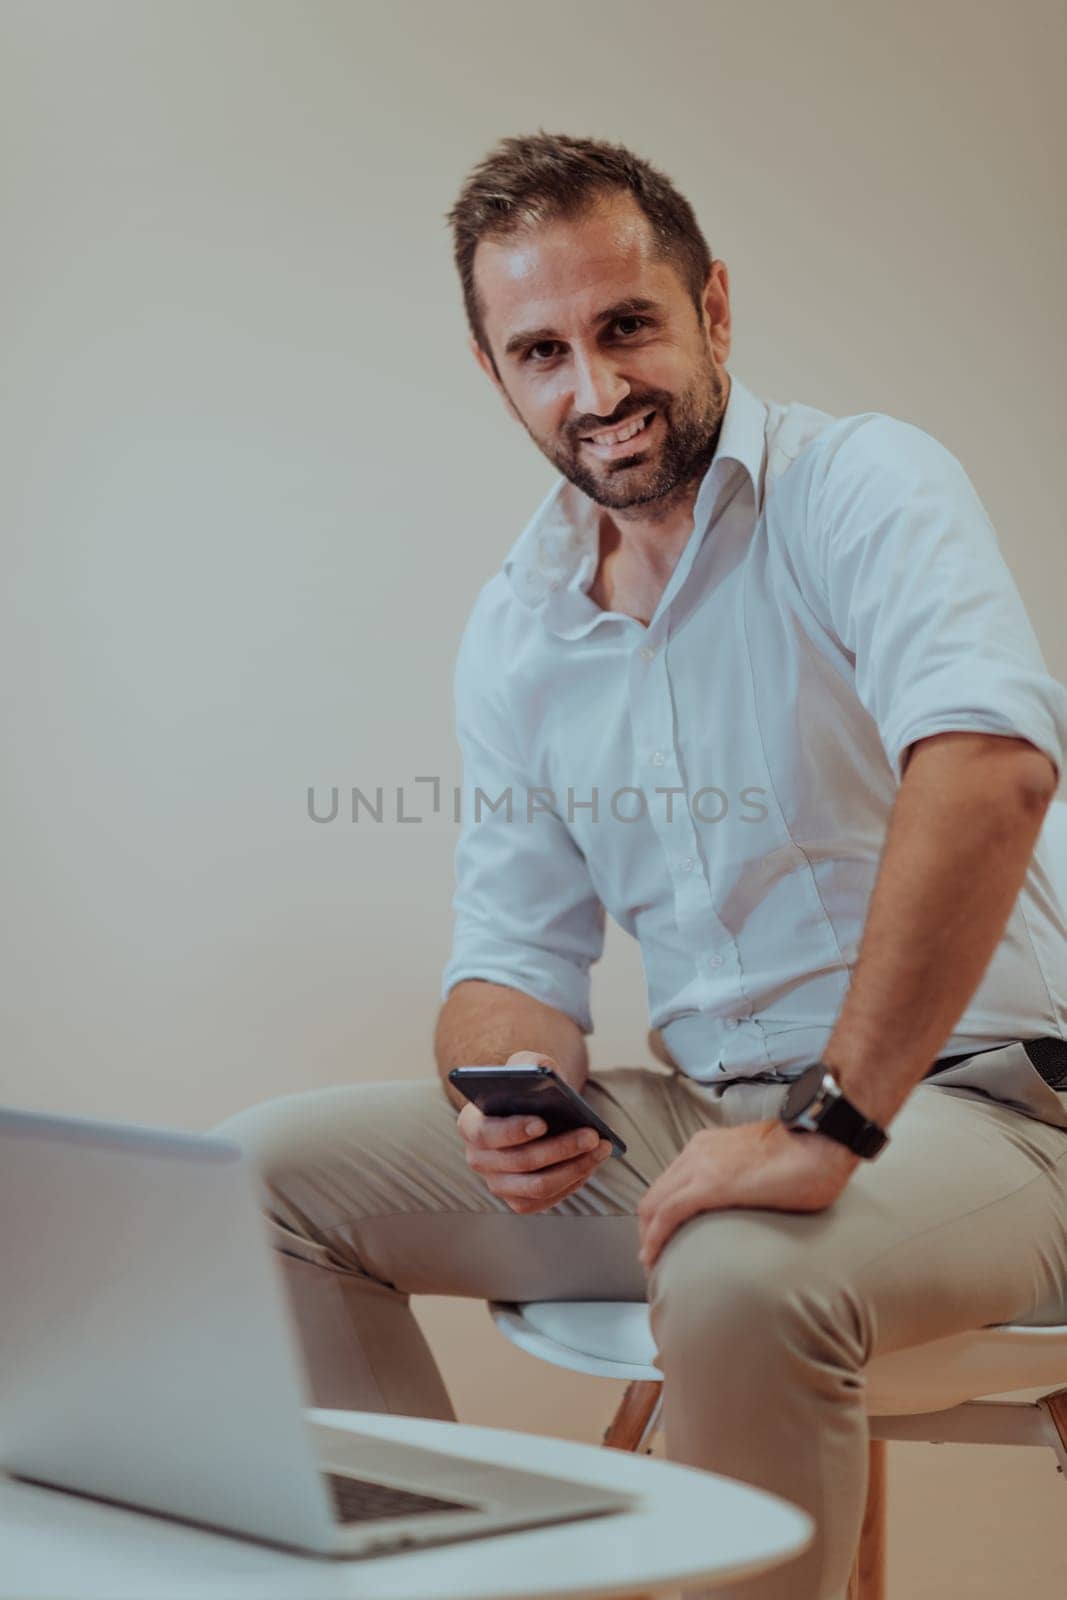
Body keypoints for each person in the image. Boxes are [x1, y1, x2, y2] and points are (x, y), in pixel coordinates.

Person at [214, 132, 1067, 1600]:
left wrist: (833, 1118)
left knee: (736, 1270)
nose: (595, 391)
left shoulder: (860, 484)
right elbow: (509, 959)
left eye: (627, 327)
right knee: (249, 1181)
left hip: (983, 1114)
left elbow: (990, 769)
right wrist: (508, 1091)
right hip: (710, 1120)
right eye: (542, 349)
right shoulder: (519, 627)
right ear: (496, 374)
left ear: (713, 307)